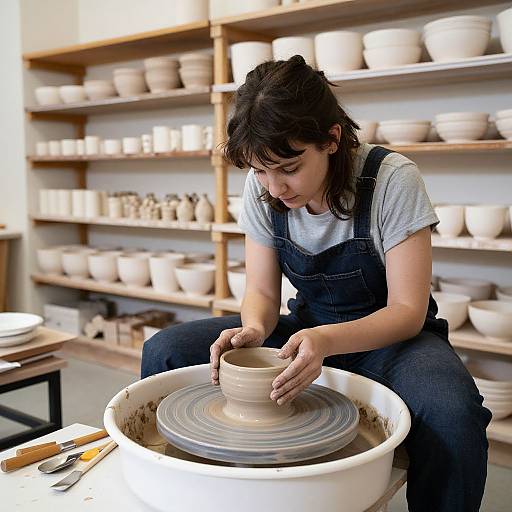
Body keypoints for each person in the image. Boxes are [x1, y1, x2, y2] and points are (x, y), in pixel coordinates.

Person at [141, 55, 491, 511]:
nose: (275, 187)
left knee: (454, 413)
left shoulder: (391, 179)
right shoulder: (263, 185)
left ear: (332, 139)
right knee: (165, 350)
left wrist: (325, 340)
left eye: (288, 168)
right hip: (306, 330)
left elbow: (407, 310)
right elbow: (263, 294)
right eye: (259, 171)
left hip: (393, 338)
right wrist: (253, 330)